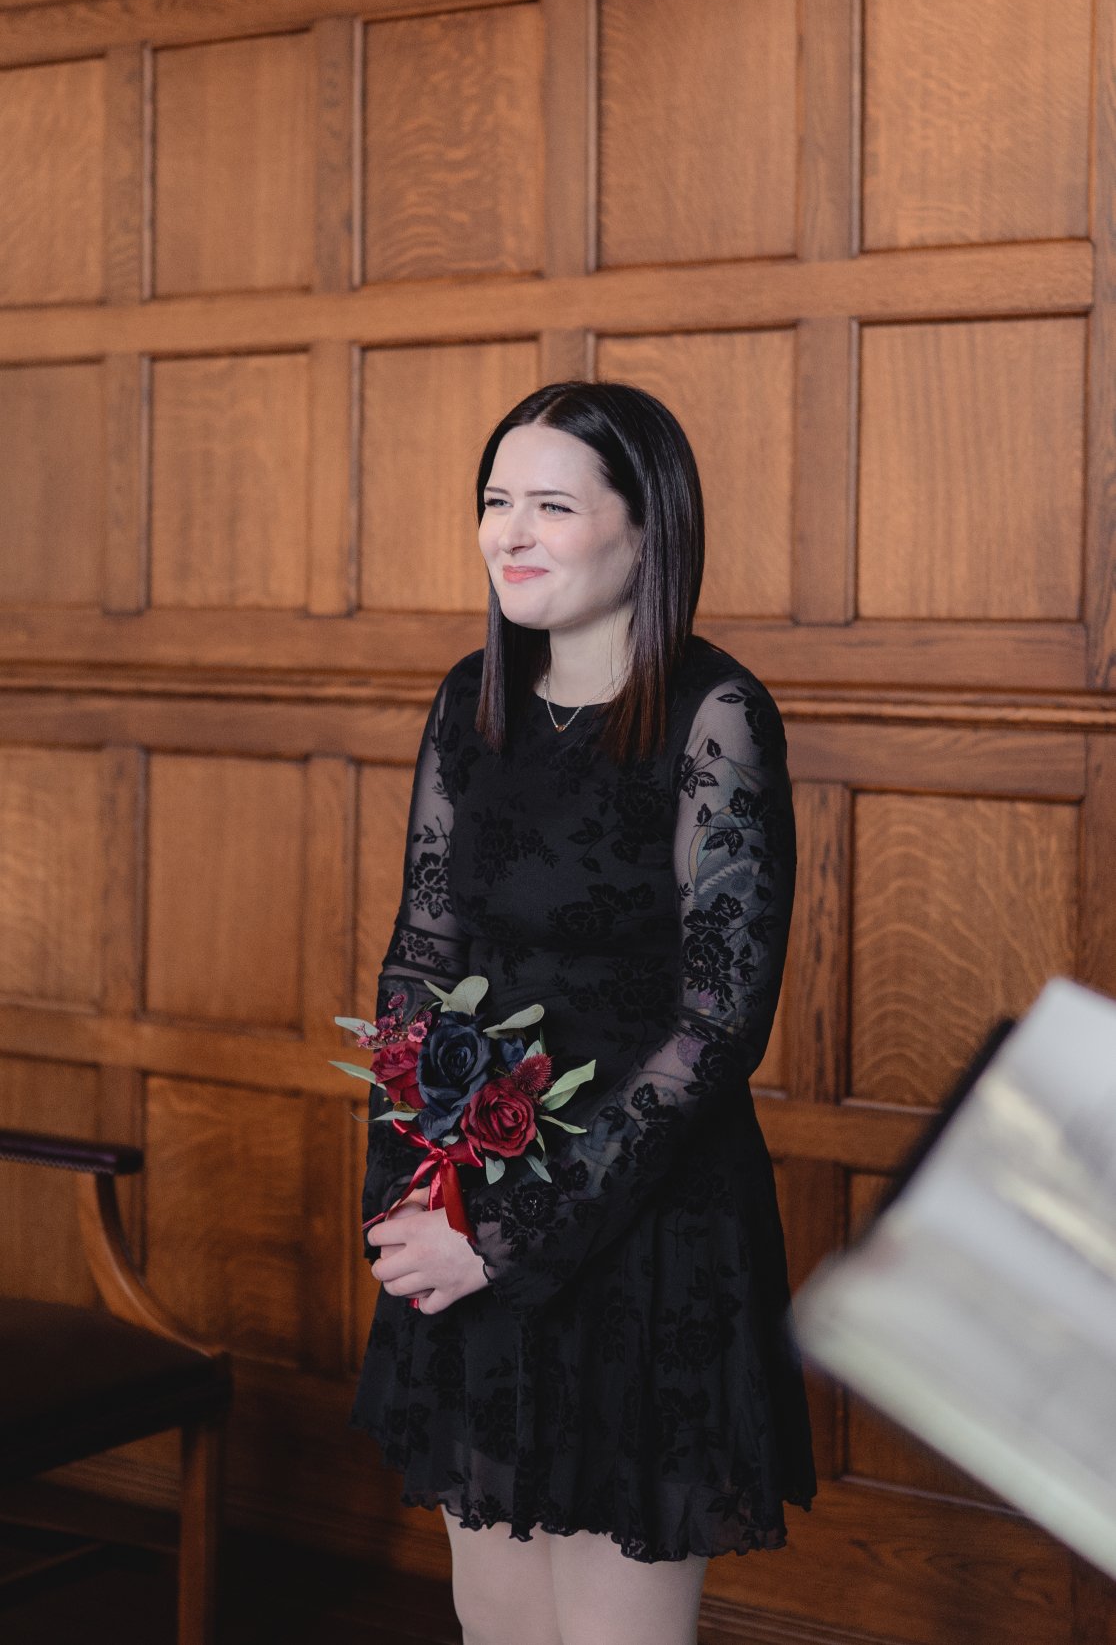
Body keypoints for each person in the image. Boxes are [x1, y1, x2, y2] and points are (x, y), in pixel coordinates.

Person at [353, 381, 817, 1645]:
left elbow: (717, 1028)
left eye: (552, 505)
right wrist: (414, 1197)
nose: (512, 532)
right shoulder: (471, 699)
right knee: (494, 1625)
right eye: (496, 503)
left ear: (646, 531)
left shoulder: (716, 716)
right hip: (470, 1214)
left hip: (643, 1233)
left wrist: (503, 1236)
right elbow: (418, 960)